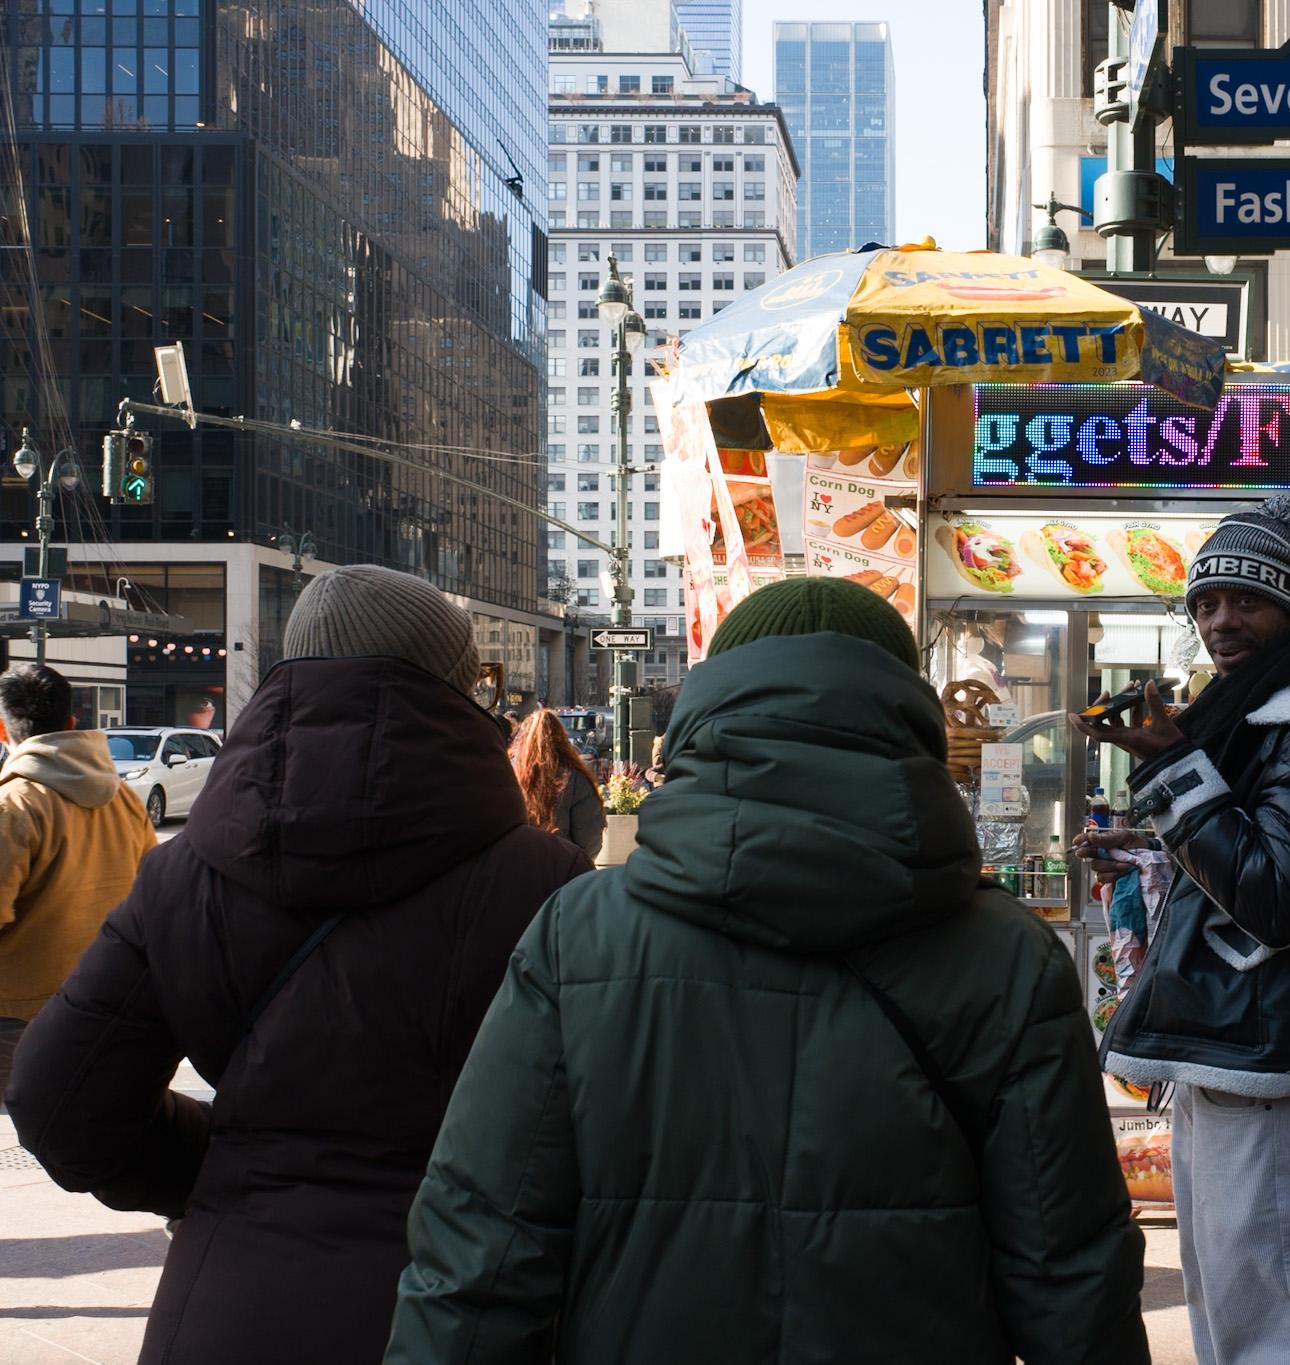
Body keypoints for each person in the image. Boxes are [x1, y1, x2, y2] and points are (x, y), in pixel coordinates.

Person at [385, 577, 1148, 1365]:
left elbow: (478, 1260)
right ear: (907, 712)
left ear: (708, 709)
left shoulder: (580, 940)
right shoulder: (1007, 958)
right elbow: (1073, 1281)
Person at [7, 565, 592, 1365]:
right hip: (462, 1312)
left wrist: (223, 1166)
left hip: (226, 1309)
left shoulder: (185, 874)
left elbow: (56, 1099)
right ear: (457, 690)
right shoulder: (547, 883)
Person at [1070, 495, 1290, 1365]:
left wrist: (1176, 772)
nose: (1222, 621)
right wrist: (1145, 854)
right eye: (1207, 603)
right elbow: (1243, 850)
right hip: (1232, 1038)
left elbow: (1276, 894)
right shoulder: (1257, 708)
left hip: (1263, 1043)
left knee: (1284, 1305)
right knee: (1235, 1290)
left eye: (1246, 601)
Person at [0, 664, 155, 1109]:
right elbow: (149, 895)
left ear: (4, 728)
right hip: (101, 998)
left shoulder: (15, 804)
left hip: (17, 1010)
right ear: (71, 723)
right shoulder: (125, 798)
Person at [509, 709, 604, 859]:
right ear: (562, 739)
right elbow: (589, 837)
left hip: (517, 865)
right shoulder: (575, 777)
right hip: (563, 868)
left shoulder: (509, 773)